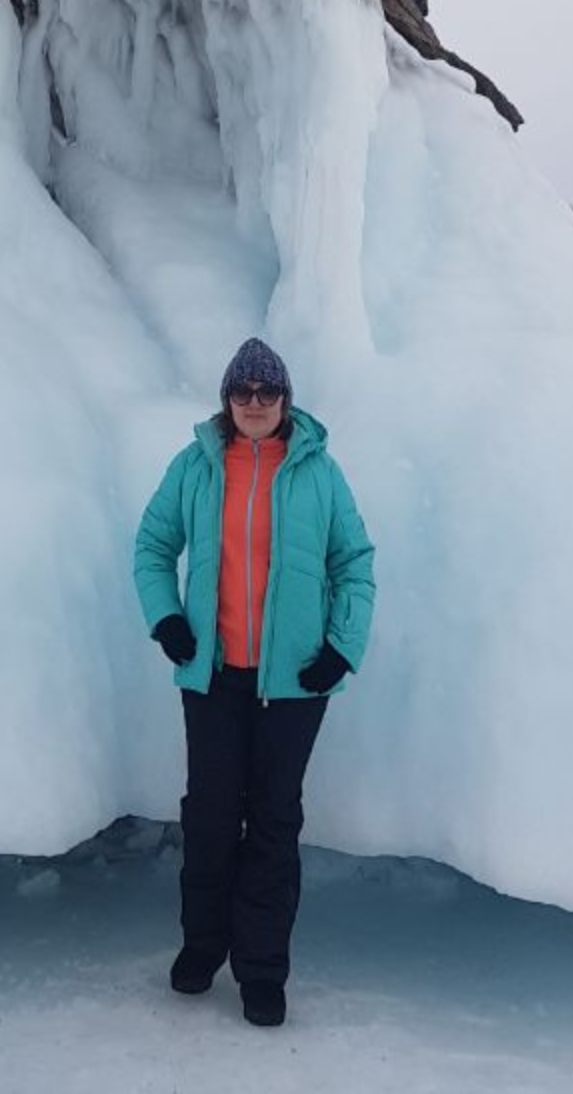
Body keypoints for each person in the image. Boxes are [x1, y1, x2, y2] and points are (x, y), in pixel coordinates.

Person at [132, 337, 376, 1029]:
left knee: (273, 821)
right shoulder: (197, 467)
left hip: (295, 684)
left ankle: (263, 970)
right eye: (243, 392)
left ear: (286, 400)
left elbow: (354, 561)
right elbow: (152, 546)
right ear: (226, 400)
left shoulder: (320, 473)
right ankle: (203, 947)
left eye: (268, 393)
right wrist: (167, 620)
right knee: (209, 817)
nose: (255, 404)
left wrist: (342, 649)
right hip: (212, 677)